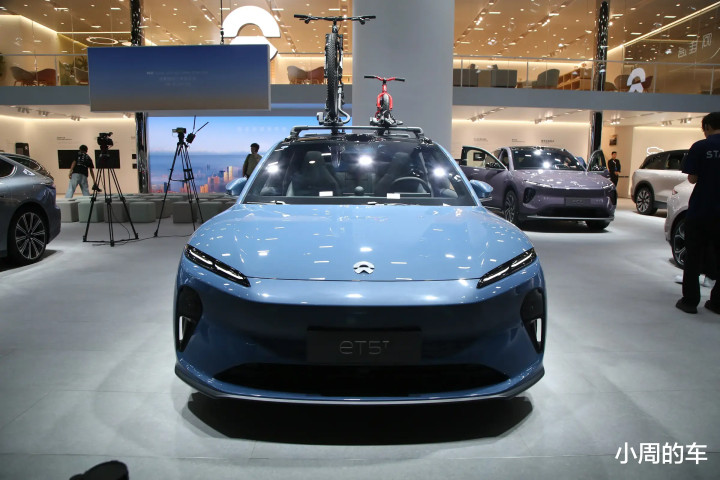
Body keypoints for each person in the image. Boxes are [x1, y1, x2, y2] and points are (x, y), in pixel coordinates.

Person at [675, 112, 720, 314]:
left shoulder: (701, 147)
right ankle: (717, 303)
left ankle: (690, 301)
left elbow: (692, 179)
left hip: (702, 209)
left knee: (693, 256)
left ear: (708, 127)